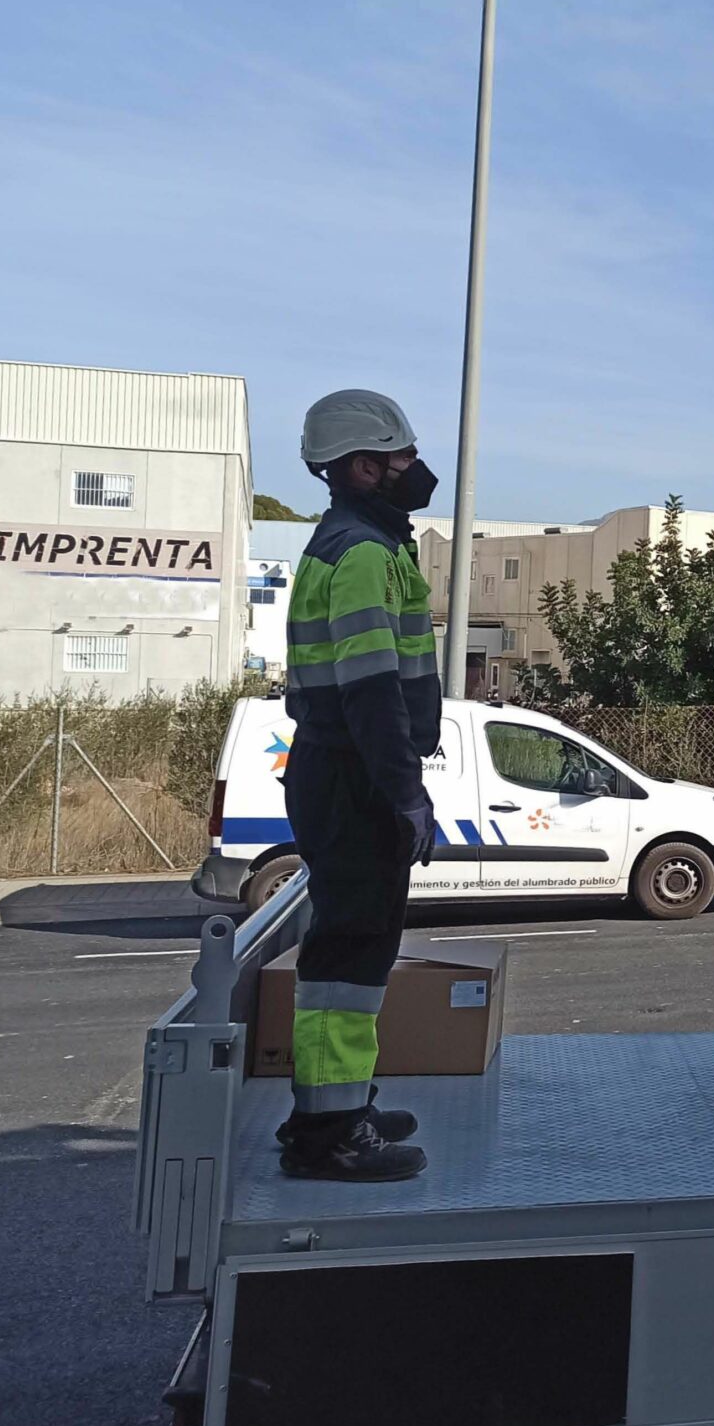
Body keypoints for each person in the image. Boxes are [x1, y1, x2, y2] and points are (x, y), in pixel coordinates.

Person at [276, 390, 440, 1181]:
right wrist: (405, 792)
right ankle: (329, 1134)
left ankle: (340, 1106)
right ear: (364, 468)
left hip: (344, 771)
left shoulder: (361, 542)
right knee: (347, 957)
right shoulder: (364, 553)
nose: (416, 467)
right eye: (401, 455)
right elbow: (371, 691)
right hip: (353, 776)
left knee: (358, 949)